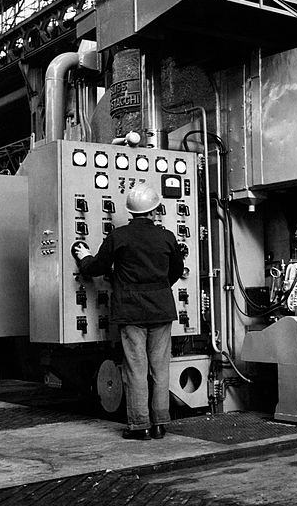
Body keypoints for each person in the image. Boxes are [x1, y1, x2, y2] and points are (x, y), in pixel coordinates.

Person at [73, 183, 185, 440]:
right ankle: (160, 424)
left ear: (131, 212)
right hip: (161, 310)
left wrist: (84, 255)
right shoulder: (167, 236)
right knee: (160, 368)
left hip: (131, 311)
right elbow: (176, 271)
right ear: (155, 209)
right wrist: (157, 287)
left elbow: (96, 268)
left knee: (136, 368)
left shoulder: (119, 236)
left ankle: (140, 425)